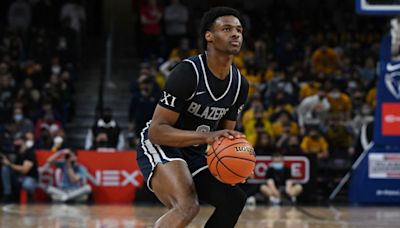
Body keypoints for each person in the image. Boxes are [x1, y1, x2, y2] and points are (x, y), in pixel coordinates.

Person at [136, 7, 249, 227]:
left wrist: (238, 164)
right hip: (162, 145)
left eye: (239, 30)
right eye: (226, 29)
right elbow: (157, 132)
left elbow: (225, 139)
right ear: (209, 36)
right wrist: (207, 138)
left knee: (234, 199)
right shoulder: (187, 73)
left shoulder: (240, 85)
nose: (235, 34)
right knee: (187, 206)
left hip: (195, 152)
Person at [1, 134, 38, 203]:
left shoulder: (29, 152)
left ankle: (30, 197)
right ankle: (7, 194)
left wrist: (9, 164)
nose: (15, 142)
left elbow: (25, 170)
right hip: (18, 177)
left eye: (17, 140)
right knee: (5, 169)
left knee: (27, 184)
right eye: (14, 140)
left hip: (30, 178)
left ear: (23, 141)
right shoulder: (15, 152)